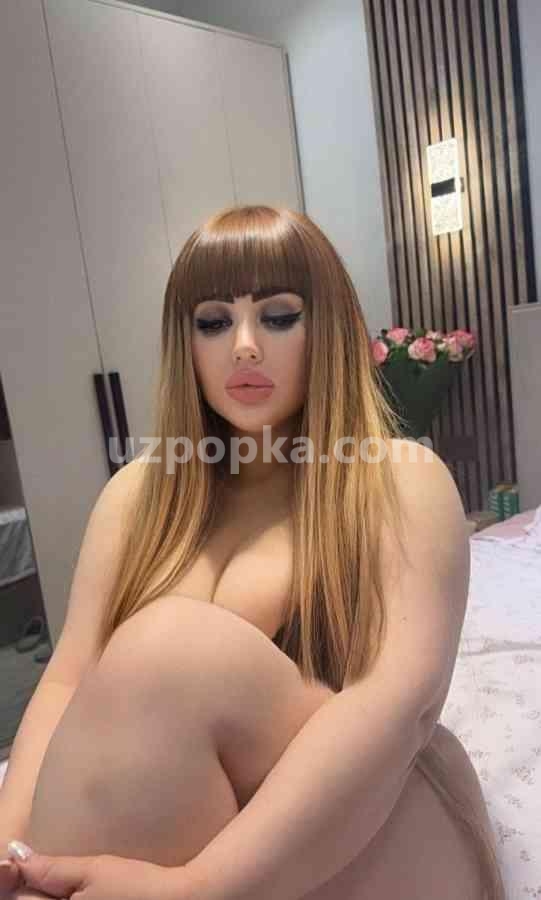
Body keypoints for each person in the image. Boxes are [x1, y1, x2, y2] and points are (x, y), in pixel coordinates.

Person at [0, 205, 505, 900]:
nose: (242, 346)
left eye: (278, 316)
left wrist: (198, 887)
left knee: (167, 649)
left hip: (377, 811)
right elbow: (67, 678)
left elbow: (397, 708)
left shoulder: (398, 479)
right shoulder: (136, 496)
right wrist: (10, 846)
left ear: (327, 328)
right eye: (212, 322)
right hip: (202, 833)